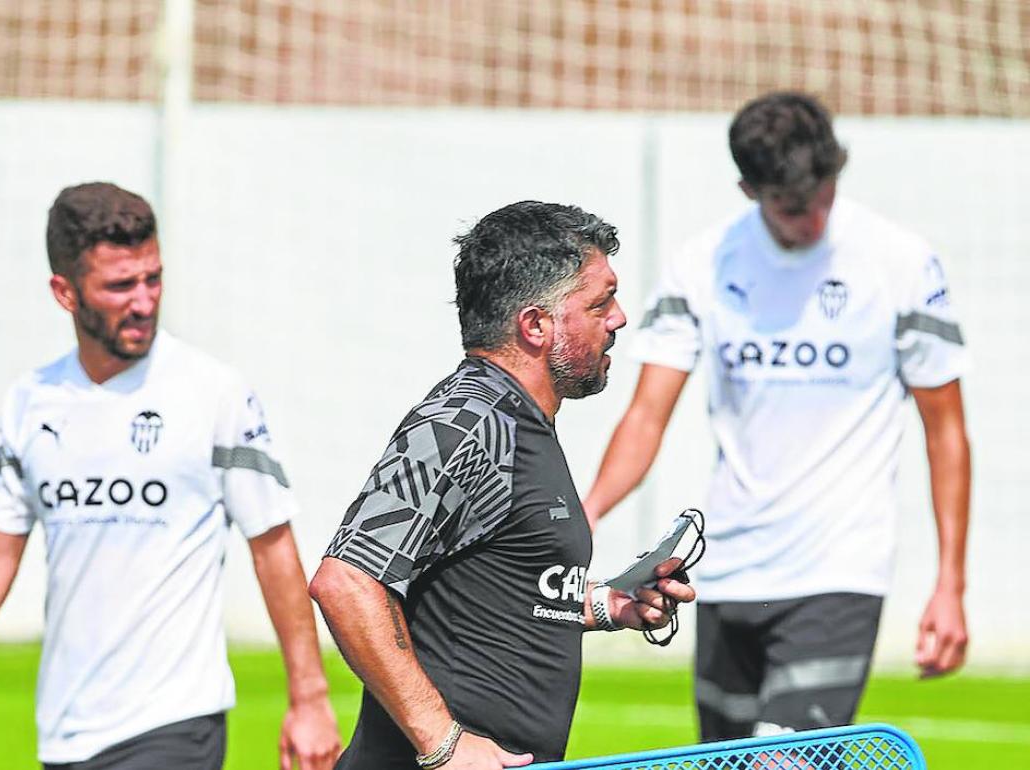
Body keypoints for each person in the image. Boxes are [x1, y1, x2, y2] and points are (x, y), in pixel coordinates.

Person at [0, 182, 342, 770]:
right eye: (120, 285)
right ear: (65, 293)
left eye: (152, 278)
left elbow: (272, 545)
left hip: (176, 721)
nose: (144, 301)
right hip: (64, 730)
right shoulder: (30, 402)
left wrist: (309, 698)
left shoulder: (213, 392)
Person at [584, 91, 971, 740]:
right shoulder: (705, 264)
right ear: (748, 189)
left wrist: (949, 583)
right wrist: (588, 511)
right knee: (726, 762)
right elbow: (647, 415)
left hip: (839, 571)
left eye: (826, 195)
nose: (815, 218)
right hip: (726, 571)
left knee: (778, 763)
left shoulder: (901, 263)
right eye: (794, 208)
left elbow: (947, 431)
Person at [308, 201, 697, 769]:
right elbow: (345, 582)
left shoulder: (523, 421)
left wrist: (611, 604)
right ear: (536, 325)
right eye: (599, 302)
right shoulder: (464, 423)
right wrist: (443, 743)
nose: (619, 319)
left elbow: (495, 592)